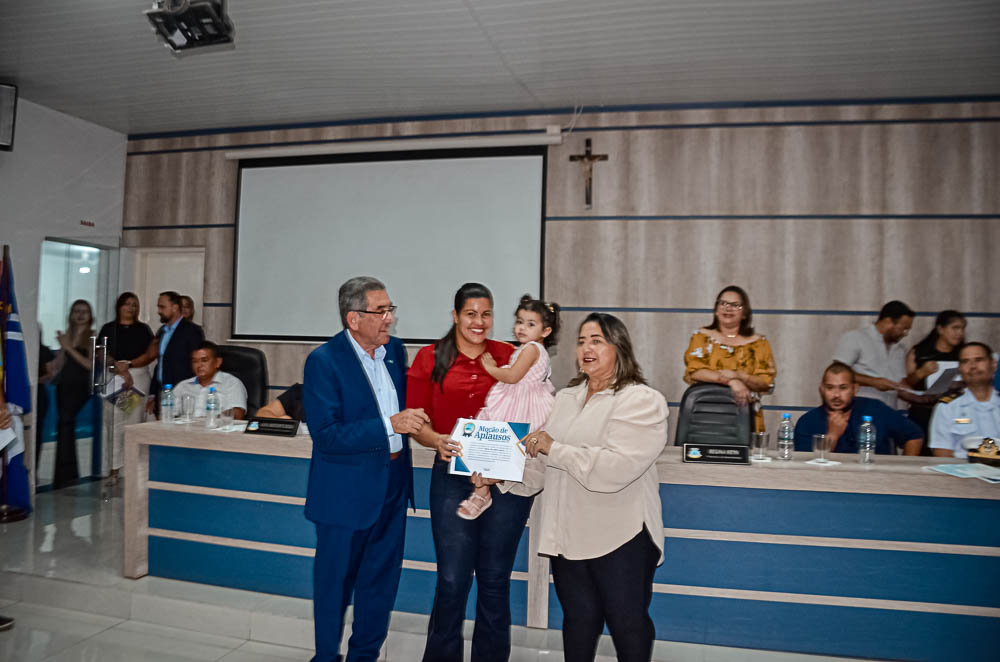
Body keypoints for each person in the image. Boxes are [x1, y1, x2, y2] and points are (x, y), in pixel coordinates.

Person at [521, 313, 668, 662]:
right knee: (578, 623)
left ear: (619, 347)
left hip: (621, 536)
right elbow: (544, 465)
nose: (587, 347)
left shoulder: (642, 400)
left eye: (597, 340)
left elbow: (615, 468)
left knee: (627, 624)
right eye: (582, 340)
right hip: (568, 536)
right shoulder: (566, 398)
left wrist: (552, 447)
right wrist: (499, 475)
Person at [302, 276, 428, 662]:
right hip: (344, 493)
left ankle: (364, 656)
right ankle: (326, 657)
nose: (390, 319)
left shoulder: (395, 352)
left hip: (391, 485)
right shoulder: (323, 361)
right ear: (353, 318)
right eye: (381, 311)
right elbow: (327, 435)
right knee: (334, 585)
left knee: (380, 582)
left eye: (391, 310)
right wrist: (391, 424)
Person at [407, 282, 529, 662]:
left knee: (494, 580)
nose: (480, 322)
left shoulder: (511, 355)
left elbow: (533, 406)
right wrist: (436, 440)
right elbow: (416, 422)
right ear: (456, 315)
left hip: (502, 479)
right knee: (452, 579)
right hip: (451, 475)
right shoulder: (430, 357)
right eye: (471, 313)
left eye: (487, 314)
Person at [457, 294, 560, 519]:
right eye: (519, 322)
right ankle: (481, 490)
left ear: (546, 331)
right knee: (489, 447)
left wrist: (491, 368)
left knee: (493, 444)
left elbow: (513, 376)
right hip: (517, 400)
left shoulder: (532, 348)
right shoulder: (528, 348)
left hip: (519, 404)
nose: (522, 328)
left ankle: (482, 492)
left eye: (530, 324)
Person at [683, 285, 776, 431]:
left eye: (735, 305)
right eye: (723, 303)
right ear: (716, 309)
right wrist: (731, 381)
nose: (728, 308)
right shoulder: (701, 337)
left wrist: (739, 376)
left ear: (745, 313)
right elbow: (694, 371)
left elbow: (766, 382)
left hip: (746, 415)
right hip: (706, 413)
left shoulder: (759, 343)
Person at [793, 362, 922, 455]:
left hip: (876, 483)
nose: (836, 395)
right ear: (822, 389)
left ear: (855, 389)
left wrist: (902, 472)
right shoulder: (807, 421)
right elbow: (808, 464)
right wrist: (832, 435)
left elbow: (915, 435)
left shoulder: (876, 408)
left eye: (843, 388)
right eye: (830, 388)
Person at [97, 292, 155, 484]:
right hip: (115, 378)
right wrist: (119, 369)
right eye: (127, 304)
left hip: (136, 377)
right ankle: (113, 470)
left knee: (133, 423)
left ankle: (132, 469)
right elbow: (101, 353)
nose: (131, 308)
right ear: (119, 306)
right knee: (115, 423)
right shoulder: (109, 328)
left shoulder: (143, 329)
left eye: (134, 304)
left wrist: (129, 367)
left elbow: (150, 354)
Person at [833, 300, 914, 409]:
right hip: (861, 410)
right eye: (902, 329)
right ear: (887, 321)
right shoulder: (856, 337)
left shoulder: (899, 348)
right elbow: (837, 372)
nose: (905, 334)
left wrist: (919, 395)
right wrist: (873, 382)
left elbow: (899, 382)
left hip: (889, 412)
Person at [929, 342, 1000, 458]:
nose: (972, 366)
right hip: (962, 473)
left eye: (979, 360)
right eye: (965, 361)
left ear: (993, 364)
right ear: (960, 368)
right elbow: (942, 454)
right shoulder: (947, 407)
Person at [902, 310, 966, 435]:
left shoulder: (964, 353)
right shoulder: (920, 352)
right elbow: (907, 383)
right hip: (923, 412)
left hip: (956, 412)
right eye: (955, 328)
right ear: (940, 329)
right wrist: (921, 372)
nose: (959, 333)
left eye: (962, 328)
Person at [53, 299, 95, 488]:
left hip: (80, 386)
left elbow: (90, 365)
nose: (80, 315)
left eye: (84, 311)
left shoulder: (92, 336)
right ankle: (65, 474)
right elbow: (59, 365)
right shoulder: (68, 335)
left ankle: (68, 473)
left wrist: (69, 347)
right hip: (64, 384)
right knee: (63, 424)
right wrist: (63, 349)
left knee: (66, 421)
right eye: (76, 311)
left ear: (90, 315)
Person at [148, 290, 204, 414]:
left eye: (162, 307)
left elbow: (196, 363)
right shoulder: (163, 331)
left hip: (183, 394)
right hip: (163, 391)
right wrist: (153, 393)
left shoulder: (191, 330)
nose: (159, 311)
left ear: (174, 308)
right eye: (158, 307)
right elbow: (161, 363)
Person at [172, 341, 248, 420]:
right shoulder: (183, 386)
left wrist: (209, 420)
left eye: (204, 360)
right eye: (195, 361)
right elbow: (169, 413)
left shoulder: (231, 383)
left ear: (218, 362)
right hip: (185, 430)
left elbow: (237, 414)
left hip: (217, 430)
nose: (199, 365)